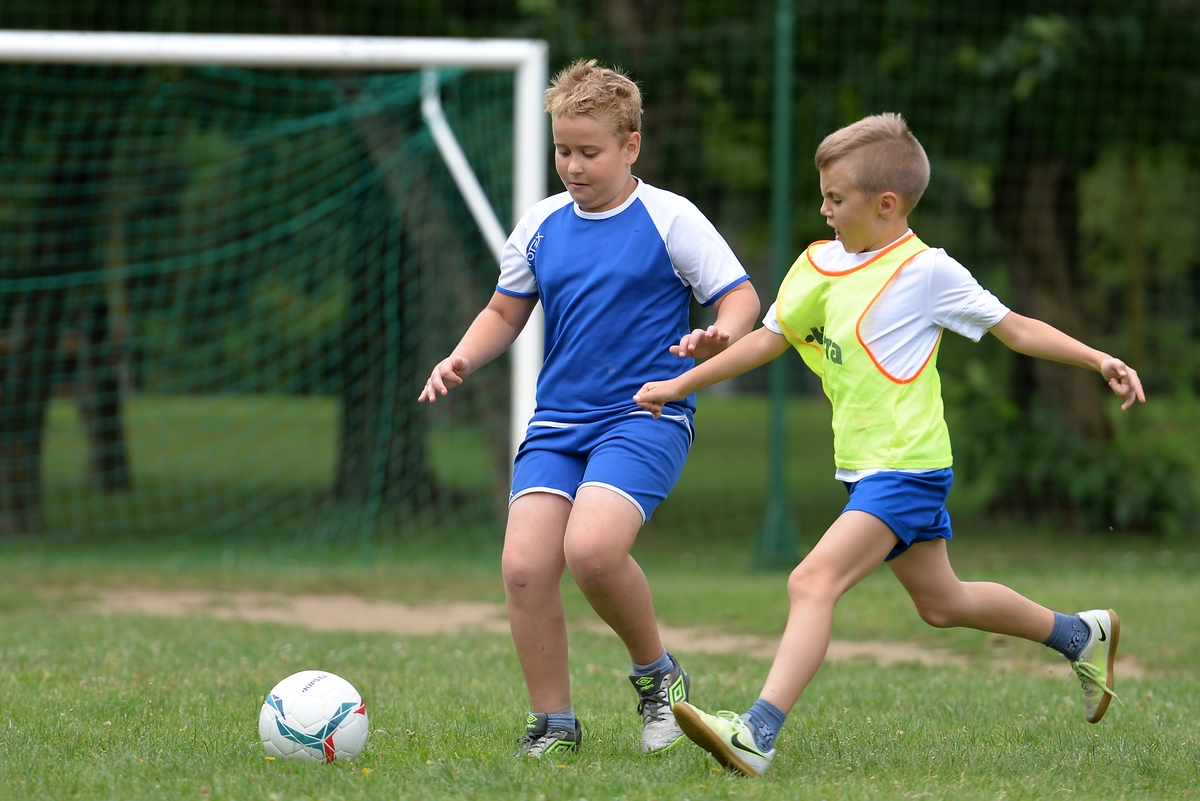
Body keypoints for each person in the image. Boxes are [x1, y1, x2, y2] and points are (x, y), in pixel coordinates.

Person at [632, 112, 1143, 778]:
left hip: (906, 467)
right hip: (869, 467)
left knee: (811, 580)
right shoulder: (816, 263)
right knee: (943, 603)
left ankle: (757, 733)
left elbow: (1014, 327)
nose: (824, 208)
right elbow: (768, 338)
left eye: (836, 198)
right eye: (823, 194)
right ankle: (1081, 632)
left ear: (887, 204)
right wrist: (682, 382)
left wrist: (1097, 358)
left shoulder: (925, 272)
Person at [419, 59, 760, 758]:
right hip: (557, 423)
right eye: (563, 151)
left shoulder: (669, 218)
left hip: (644, 413)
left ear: (631, 145)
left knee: (594, 551)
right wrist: (460, 355)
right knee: (522, 565)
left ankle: (658, 678)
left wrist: (721, 332)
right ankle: (555, 722)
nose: (572, 167)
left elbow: (742, 297)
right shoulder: (541, 224)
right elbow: (502, 311)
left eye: (589, 152)